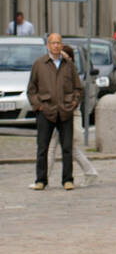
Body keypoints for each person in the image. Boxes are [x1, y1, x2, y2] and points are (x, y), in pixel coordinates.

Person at [26, 33, 82, 190]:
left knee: (67, 148)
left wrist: (74, 103)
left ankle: (67, 180)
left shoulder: (68, 65)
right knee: (42, 148)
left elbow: (78, 88)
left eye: (58, 43)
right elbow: (31, 90)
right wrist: (39, 106)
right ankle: (41, 180)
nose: (56, 46)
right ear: (48, 45)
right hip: (46, 111)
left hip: (65, 111)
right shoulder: (39, 64)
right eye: (53, 43)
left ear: (62, 45)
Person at [48, 45, 99, 184]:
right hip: (57, 113)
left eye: (63, 55)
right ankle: (43, 177)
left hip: (69, 114)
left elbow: (77, 93)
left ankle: (90, 172)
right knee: (54, 146)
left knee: (65, 147)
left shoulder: (71, 72)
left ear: (70, 58)